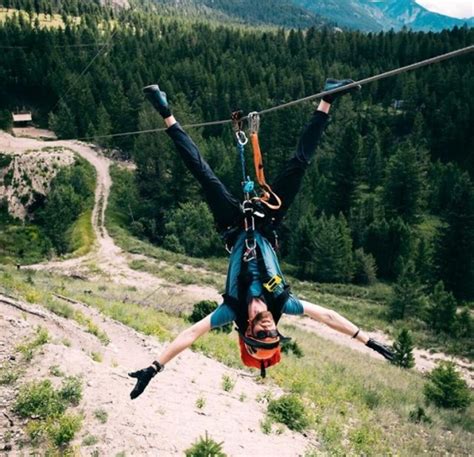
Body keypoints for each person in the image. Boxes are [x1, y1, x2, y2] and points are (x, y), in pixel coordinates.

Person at [129, 80, 394, 399]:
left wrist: (154, 367)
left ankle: (165, 111)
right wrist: (367, 340)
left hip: (234, 226)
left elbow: (191, 333)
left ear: (248, 332)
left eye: (262, 332)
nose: (269, 326)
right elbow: (327, 316)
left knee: (202, 173)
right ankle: (327, 99)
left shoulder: (232, 310)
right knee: (298, 166)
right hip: (266, 223)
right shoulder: (283, 303)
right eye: (273, 332)